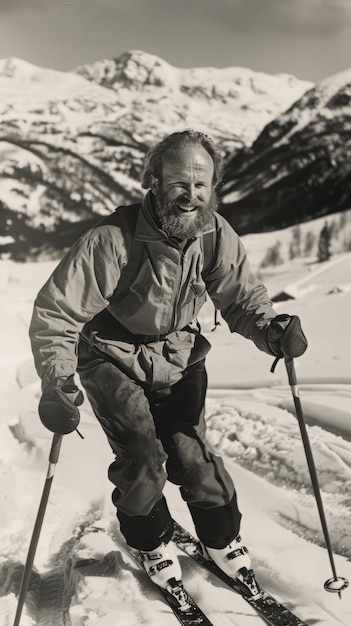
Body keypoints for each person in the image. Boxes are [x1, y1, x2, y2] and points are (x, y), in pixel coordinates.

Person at [29, 129, 307, 592]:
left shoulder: (215, 233)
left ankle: (222, 538)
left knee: (191, 452)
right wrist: (57, 382)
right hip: (111, 354)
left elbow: (242, 297)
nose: (191, 195)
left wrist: (269, 330)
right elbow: (58, 312)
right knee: (142, 455)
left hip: (178, 352)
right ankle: (150, 539)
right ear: (153, 181)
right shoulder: (112, 239)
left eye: (202, 185)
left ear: (213, 186)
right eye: (179, 183)